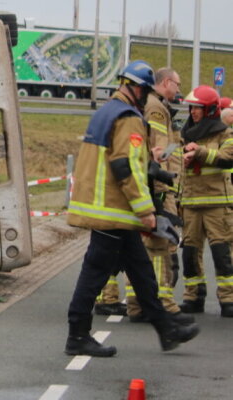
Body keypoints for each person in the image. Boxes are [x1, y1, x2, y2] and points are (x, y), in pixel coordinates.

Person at [65, 60, 198, 357]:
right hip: (113, 210)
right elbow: (125, 167)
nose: (145, 97)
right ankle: (77, 335)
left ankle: (166, 329)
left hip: (109, 209)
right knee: (95, 274)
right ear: (137, 88)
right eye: (145, 91)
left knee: (141, 272)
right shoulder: (128, 117)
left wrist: (148, 162)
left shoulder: (108, 111)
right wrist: (146, 212)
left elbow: (122, 158)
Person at [124, 67, 194, 324]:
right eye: (177, 84)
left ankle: (138, 304)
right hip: (159, 189)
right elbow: (159, 151)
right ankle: (163, 304)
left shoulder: (156, 106)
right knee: (159, 246)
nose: (178, 89)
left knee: (144, 248)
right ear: (166, 83)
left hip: (155, 187)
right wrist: (163, 189)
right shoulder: (156, 109)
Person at [179, 85, 233, 317]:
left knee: (222, 254)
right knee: (190, 253)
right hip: (191, 203)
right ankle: (193, 297)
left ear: (210, 110)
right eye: (192, 108)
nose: (193, 112)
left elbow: (228, 159)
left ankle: (228, 299)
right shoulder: (184, 133)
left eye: (198, 108)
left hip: (216, 204)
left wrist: (199, 152)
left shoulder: (225, 134)